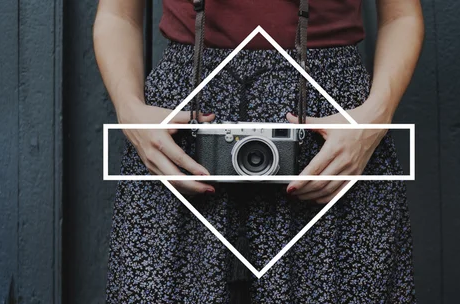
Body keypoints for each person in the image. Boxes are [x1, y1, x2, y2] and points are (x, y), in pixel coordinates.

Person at [94, 0, 424, 302]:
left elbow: (401, 16)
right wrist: (130, 112)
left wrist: (373, 119)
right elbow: (118, 14)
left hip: (333, 135)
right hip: (181, 139)